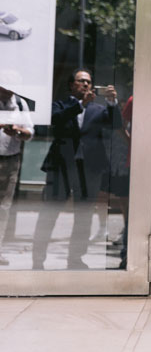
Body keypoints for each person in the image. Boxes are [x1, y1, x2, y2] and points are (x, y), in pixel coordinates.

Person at [33, 69, 120, 269]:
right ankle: (38, 260)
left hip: (88, 168)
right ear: (72, 85)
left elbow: (116, 124)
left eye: (89, 82)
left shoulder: (98, 110)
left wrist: (112, 103)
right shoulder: (61, 105)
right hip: (61, 166)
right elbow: (54, 119)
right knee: (49, 213)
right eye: (81, 81)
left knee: (84, 216)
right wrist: (81, 105)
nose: (86, 85)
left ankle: (75, 258)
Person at [0, 82, 33, 266]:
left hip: (11, 160)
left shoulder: (20, 103)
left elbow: (30, 132)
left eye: (9, 89)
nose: (6, 92)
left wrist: (17, 132)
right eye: (3, 88)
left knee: (4, 208)